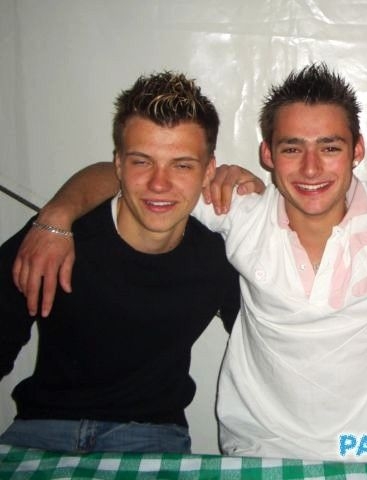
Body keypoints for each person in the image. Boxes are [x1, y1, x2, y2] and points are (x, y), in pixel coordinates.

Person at [10, 64, 367, 462]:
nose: (310, 168)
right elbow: (139, 177)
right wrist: (57, 215)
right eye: (291, 148)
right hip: (257, 449)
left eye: (329, 147)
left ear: (358, 151)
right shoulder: (239, 213)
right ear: (267, 155)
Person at [0, 71, 243, 453]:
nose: (159, 184)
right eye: (142, 162)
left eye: (182, 165)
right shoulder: (56, 237)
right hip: (40, 429)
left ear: (208, 171)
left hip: (152, 434)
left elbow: (267, 343)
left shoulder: (220, 256)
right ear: (117, 164)